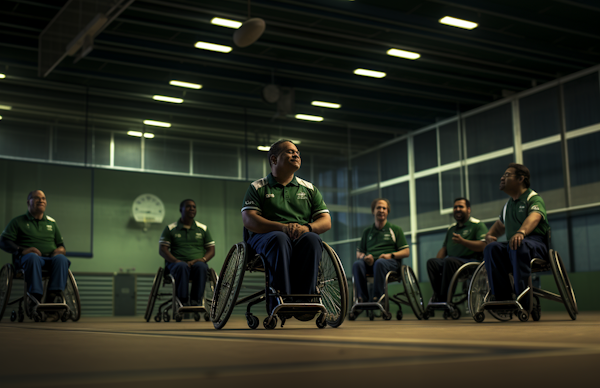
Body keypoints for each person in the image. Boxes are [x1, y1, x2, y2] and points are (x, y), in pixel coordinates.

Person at [241, 139, 331, 316]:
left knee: (313, 239)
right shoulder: (257, 187)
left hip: (300, 236)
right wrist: (281, 228)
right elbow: (249, 220)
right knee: (279, 238)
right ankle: (280, 300)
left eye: (297, 152)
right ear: (274, 159)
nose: (296, 154)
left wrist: (307, 228)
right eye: (290, 152)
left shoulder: (309, 189)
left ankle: (306, 301)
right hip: (266, 238)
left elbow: (325, 221)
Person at [484, 163, 550, 307]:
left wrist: (521, 232)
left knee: (517, 244)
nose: (502, 178)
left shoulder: (533, 198)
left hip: (535, 244)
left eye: (507, 175)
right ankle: (503, 300)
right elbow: (499, 226)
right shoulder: (508, 205)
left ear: (521, 179)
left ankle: (524, 301)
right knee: (491, 249)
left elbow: (535, 217)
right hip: (514, 245)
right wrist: (489, 234)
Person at [0, 190, 71, 307]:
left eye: (43, 198)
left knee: (61, 259)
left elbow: (61, 245)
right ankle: (35, 296)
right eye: (37, 198)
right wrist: (21, 250)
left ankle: (53, 295)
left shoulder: (52, 223)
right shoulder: (18, 222)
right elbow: (3, 242)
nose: (41, 200)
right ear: (28, 202)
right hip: (28, 259)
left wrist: (61, 250)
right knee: (33, 257)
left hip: (50, 260)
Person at [426, 198, 488, 302]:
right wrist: (437, 262)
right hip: (451, 262)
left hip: (470, 262)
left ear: (468, 209)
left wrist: (463, 241)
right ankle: (437, 295)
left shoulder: (477, 225)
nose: (457, 209)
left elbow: (483, 245)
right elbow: (445, 248)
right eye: (455, 207)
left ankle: (445, 299)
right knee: (432, 263)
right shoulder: (451, 229)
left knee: (449, 261)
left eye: (461, 207)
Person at [353, 198, 410, 304]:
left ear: (387, 212)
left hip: (389, 263)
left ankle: (377, 298)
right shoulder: (367, 232)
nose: (381, 210)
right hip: (371, 264)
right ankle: (362, 299)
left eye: (384, 208)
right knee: (357, 264)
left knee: (379, 263)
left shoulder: (395, 229)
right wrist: (364, 258)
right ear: (373, 211)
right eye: (378, 207)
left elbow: (406, 251)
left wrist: (390, 255)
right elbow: (359, 253)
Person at [159, 199, 215, 305]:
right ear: (181, 209)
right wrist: (175, 260)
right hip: (176, 265)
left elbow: (211, 250)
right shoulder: (171, 229)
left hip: (197, 264)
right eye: (188, 206)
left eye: (194, 207)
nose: (192, 208)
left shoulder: (202, 228)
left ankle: (196, 301)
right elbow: (162, 250)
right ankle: (182, 301)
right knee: (182, 266)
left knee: (201, 266)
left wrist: (202, 259)